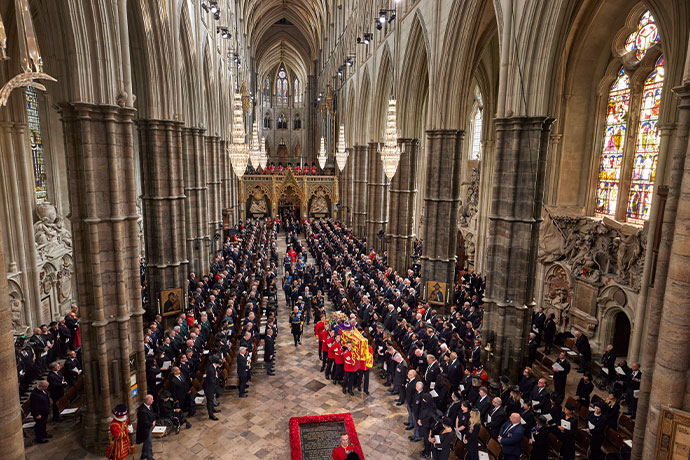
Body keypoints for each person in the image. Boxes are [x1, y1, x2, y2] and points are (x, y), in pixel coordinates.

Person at [135, 394, 156, 460]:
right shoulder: (142, 411)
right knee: (148, 443)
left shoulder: (149, 406)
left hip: (148, 428)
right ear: (148, 402)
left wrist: (154, 420)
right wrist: (152, 424)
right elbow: (145, 422)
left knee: (146, 442)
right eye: (152, 400)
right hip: (144, 430)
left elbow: (151, 415)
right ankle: (150, 458)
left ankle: (144, 454)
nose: (153, 400)